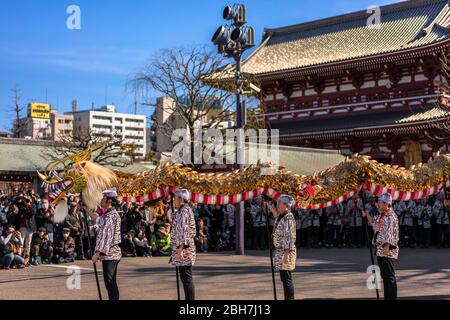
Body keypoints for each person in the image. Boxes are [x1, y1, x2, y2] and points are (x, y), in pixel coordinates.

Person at [362, 193, 399, 300]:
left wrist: (386, 246)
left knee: (389, 276)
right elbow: (374, 224)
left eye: (379, 202)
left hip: (387, 250)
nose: (378, 204)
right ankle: (388, 297)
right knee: (385, 276)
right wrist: (367, 215)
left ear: (386, 203)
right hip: (380, 250)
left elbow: (390, 233)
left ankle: (391, 298)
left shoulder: (391, 216)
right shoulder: (382, 215)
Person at [92, 188, 122, 300]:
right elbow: (98, 220)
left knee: (110, 281)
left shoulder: (110, 216)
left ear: (109, 200)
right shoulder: (107, 215)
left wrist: (98, 252)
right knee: (109, 282)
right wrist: (87, 210)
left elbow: (106, 236)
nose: (101, 200)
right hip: (109, 253)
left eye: (103, 198)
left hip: (111, 253)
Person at [265, 195, 296, 300]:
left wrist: (286, 255)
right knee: (283, 278)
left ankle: (289, 299)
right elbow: (276, 215)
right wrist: (268, 205)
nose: (277, 205)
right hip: (280, 251)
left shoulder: (289, 217)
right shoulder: (283, 215)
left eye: (279, 203)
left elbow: (289, 237)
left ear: (286, 205)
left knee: (287, 278)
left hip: (286, 251)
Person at [170, 189, 197, 300]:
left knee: (186, 278)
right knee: (185, 278)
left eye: (175, 198)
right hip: (183, 247)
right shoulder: (182, 211)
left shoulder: (184, 211)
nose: (174, 200)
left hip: (184, 249)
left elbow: (184, 231)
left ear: (181, 199)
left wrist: (181, 249)